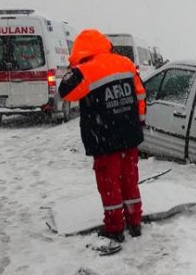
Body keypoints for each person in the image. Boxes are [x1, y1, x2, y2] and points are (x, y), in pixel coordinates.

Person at [58, 29, 146, 242]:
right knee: (130, 181)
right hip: (130, 134)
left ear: (81, 50)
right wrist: (138, 121)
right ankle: (134, 222)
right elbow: (141, 94)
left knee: (110, 186)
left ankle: (115, 227)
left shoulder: (86, 71)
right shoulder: (125, 63)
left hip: (105, 138)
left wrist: (74, 68)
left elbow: (65, 92)